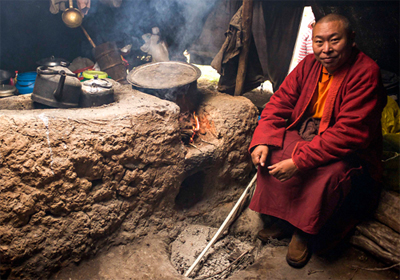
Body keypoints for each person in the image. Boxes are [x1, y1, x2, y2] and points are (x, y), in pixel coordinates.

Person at [249, 13, 386, 268]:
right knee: (273, 154)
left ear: (351, 39)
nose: (326, 50)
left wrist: (299, 161)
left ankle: (305, 231)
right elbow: (280, 102)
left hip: (347, 147)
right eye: (319, 42)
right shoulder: (309, 65)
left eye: (334, 40)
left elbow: (349, 133)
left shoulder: (367, 72)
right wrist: (262, 140)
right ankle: (285, 220)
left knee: (327, 174)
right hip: (307, 130)